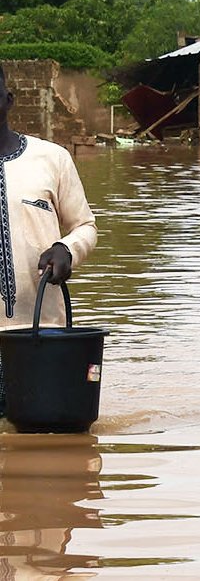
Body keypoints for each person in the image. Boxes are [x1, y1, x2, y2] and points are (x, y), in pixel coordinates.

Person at [0, 65, 98, 416]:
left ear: (8, 100)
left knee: (46, 437)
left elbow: (85, 226)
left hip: (43, 335)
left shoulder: (52, 159)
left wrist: (66, 248)